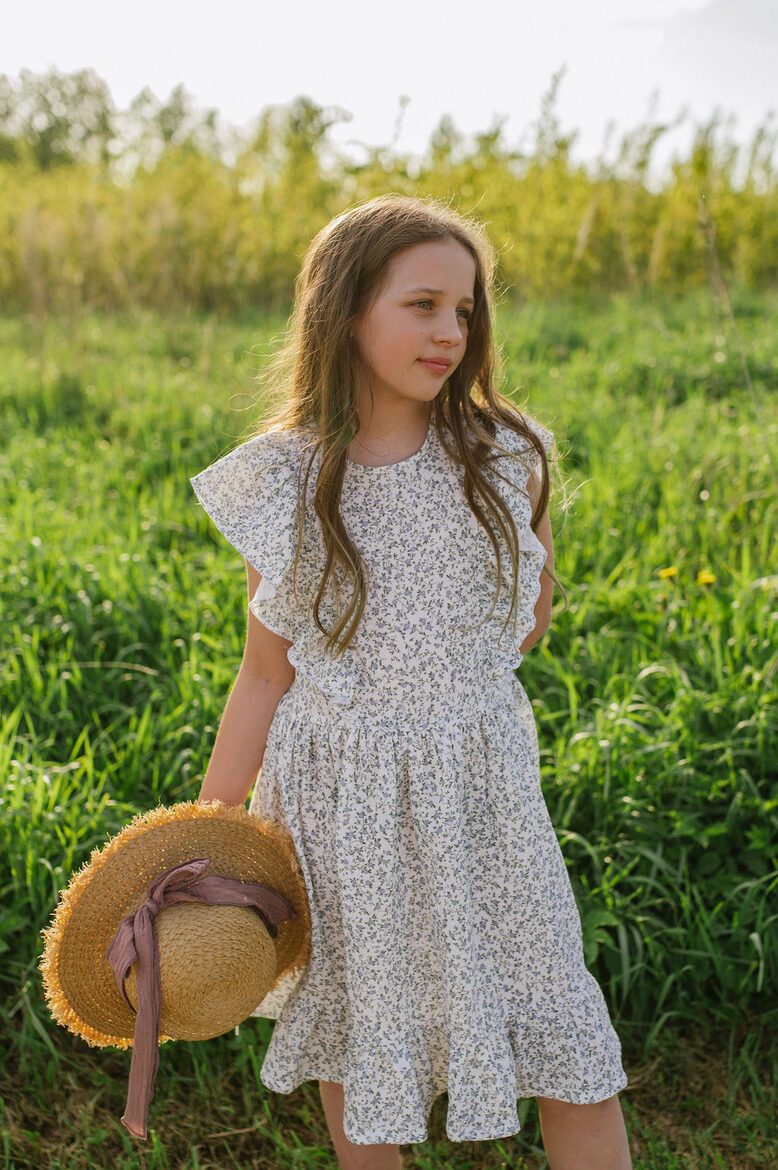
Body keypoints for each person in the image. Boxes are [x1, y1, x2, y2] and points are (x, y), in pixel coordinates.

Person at [189, 194, 632, 1170]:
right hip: (339, 798)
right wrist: (205, 835)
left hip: (479, 792)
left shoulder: (508, 456)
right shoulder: (284, 479)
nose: (450, 333)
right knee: (359, 1032)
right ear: (346, 309)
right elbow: (263, 674)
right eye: (422, 305)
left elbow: (525, 627)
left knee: (561, 1028)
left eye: (464, 310)